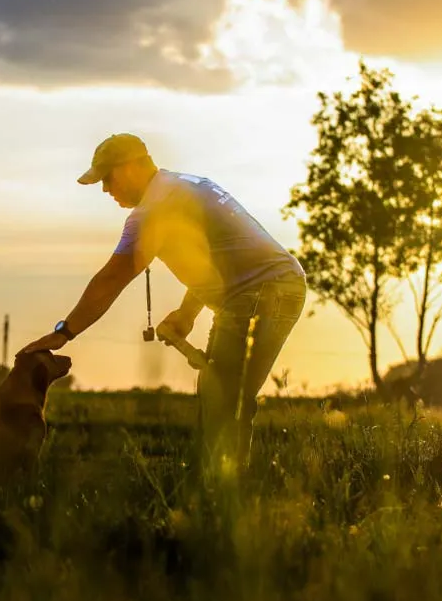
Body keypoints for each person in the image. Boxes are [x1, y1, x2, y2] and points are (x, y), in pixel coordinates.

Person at [18, 133, 307, 474]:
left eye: (107, 178)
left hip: (262, 293)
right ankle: (221, 491)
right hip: (266, 288)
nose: (105, 190)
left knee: (224, 401)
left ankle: (227, 497)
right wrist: (186, 314)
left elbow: (112, 279)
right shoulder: (187, 186)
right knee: (218, 394)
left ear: (128, 168)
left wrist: (64, 332)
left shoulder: (153, 211)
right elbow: (218, 260)